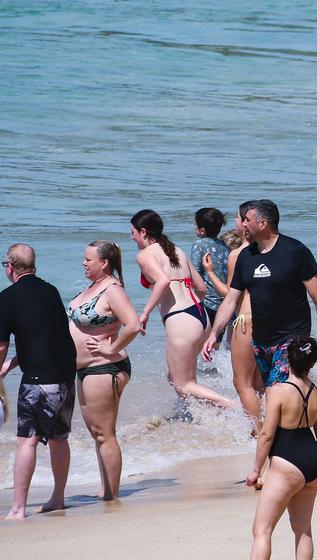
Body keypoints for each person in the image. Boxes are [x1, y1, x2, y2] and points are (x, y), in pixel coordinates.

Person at [205, 200, 317, 388]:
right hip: (260, 341)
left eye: (247, 220)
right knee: (268, 393)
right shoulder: (246, 256)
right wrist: (213, 334)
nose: (243, 224)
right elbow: (230, 300)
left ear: (262, 223)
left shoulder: (295, 251)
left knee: (281, 391)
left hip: (292, 339)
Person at [0, 244, 77, 519]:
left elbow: (0, 346)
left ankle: (18, 508)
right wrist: (12, 364)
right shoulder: (51, 291)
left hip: (37, 382)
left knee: (27, 441)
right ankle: (58, 498)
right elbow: (45, 336)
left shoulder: (7, 298)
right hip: (65, 377)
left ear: (10, 267)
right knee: (58, 438)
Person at [132, 209, 235, 408]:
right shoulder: (176, 250)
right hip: (200, 316)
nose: (132, 237)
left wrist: (144, 313)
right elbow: (202, 288)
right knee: (175, 376)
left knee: (183, 384)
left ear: (143, 232)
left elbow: (162, 281)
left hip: (181, 320)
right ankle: (196, 416)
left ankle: (234, 407)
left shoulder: (144, 255)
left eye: (133, 232)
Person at [67, 241, 141, 501]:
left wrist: (112, 348)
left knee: (104, 433)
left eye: (88, 259)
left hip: (105, 367)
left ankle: (112, 494)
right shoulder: (92, 288)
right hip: (85, 369)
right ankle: (105, 488)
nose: (84, 263)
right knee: (96, 433)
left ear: (104, 263)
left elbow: (133, 324)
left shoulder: (112, 289)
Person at [247, 336, 317, 560]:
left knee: (261, 531)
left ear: (287, 359)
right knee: (303, 530)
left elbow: (266, 435)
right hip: (313, 463)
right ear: (312, 363)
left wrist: (256, 469)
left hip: (286, 462)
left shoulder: (277, 392)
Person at [205, 204, 261, 426]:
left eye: (239, 218)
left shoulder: (237, 255)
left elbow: (231, 296)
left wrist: (209, 273)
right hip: (272, 321)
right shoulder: (272, 250)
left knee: (243, 383)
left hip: (245, 320)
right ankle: (271, 424)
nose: (238, 223)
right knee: (262, 381)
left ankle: (257, 431)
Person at [192, 207, 230, 336]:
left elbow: (195, 273)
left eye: (195, 225)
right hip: (224, 305)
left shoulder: (199, 244)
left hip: (206, 302)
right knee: (215, 343)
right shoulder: (225, 246)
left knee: (202, 341)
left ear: (202, 230)